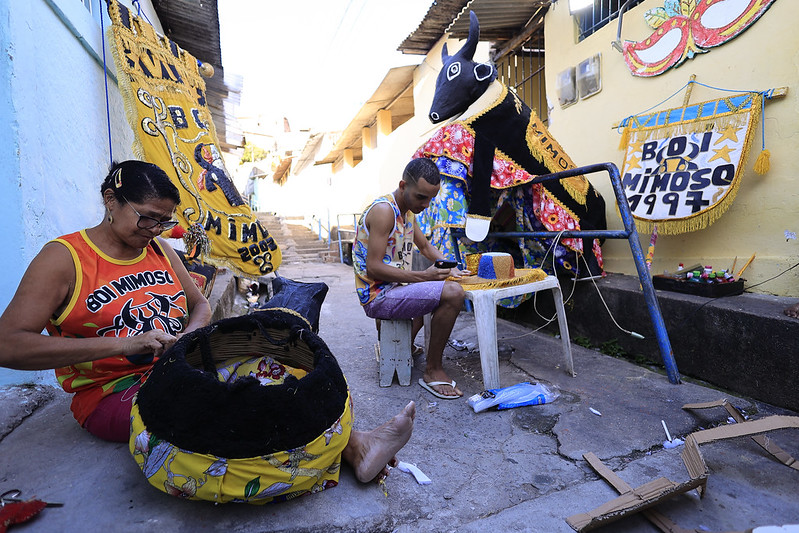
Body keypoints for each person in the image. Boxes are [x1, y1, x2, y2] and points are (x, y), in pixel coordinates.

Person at [0, 159, 412, 484]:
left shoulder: (158, 249)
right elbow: (9, 344)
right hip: (112, 392)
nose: (156, 229)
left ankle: (357, 446)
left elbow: (199, 306)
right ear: (110, 200)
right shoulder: (64, 258)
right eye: (147, 218)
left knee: (286, 366)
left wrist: (190, 339)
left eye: (164, 221)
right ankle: (349, 452)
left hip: (180, 363)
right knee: (216, 410)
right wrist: (124, 345)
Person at [353, 157, 468, 399]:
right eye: (421, 197)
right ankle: (433, 370)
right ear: (403, 185)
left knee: (449, 284)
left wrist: (452, 267)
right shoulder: (385, 211)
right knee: (453, 293)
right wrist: (424, 277)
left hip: (394, 289)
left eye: (430, 199)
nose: (426, 204)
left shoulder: (406, 212)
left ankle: (402, 346)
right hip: (378, 296)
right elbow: (373, 268)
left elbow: (425, 247)